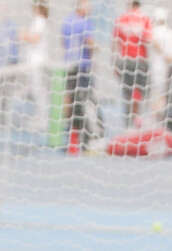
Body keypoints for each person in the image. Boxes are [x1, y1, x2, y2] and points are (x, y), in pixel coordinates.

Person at [61, 0, 98, 147]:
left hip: (70, 65)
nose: (91, 7)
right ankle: (91, 134)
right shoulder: (84, 22)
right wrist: (96, 49)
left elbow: (63, 43)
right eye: (88, 4)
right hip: (82, 66)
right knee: (86, 99)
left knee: (70, 97)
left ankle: (69, 132)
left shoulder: (66, 21)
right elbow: (90, 43)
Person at [112, 0, 152, 127]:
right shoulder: (144, 19)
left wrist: (113, 63)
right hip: (140, 61)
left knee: (127, 94)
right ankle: (139, 121)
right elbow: (149, 41)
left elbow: (114, 43)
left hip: (125, 61)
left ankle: (128, 124)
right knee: (142, 92)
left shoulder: (121, 19)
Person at [19, 0, 50, 133]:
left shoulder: (40, 21)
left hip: (37, 61)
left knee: (39, 91)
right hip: (35, 61)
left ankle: (43, 120)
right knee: (36, 91)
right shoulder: (39, 21)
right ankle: (40, 117)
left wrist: (24, 35)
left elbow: (34, 39)